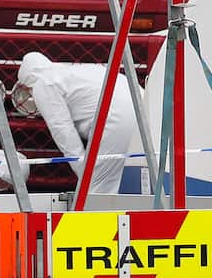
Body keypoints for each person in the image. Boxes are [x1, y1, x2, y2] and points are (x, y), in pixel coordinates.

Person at [17, 51, 133, 195]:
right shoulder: (70, 73)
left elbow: (63, 131)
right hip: (141, 105)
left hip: (116, 118)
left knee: (98, 191)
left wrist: (83, 171)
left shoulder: (43, 83)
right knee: (135, 178)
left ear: (27, 83)